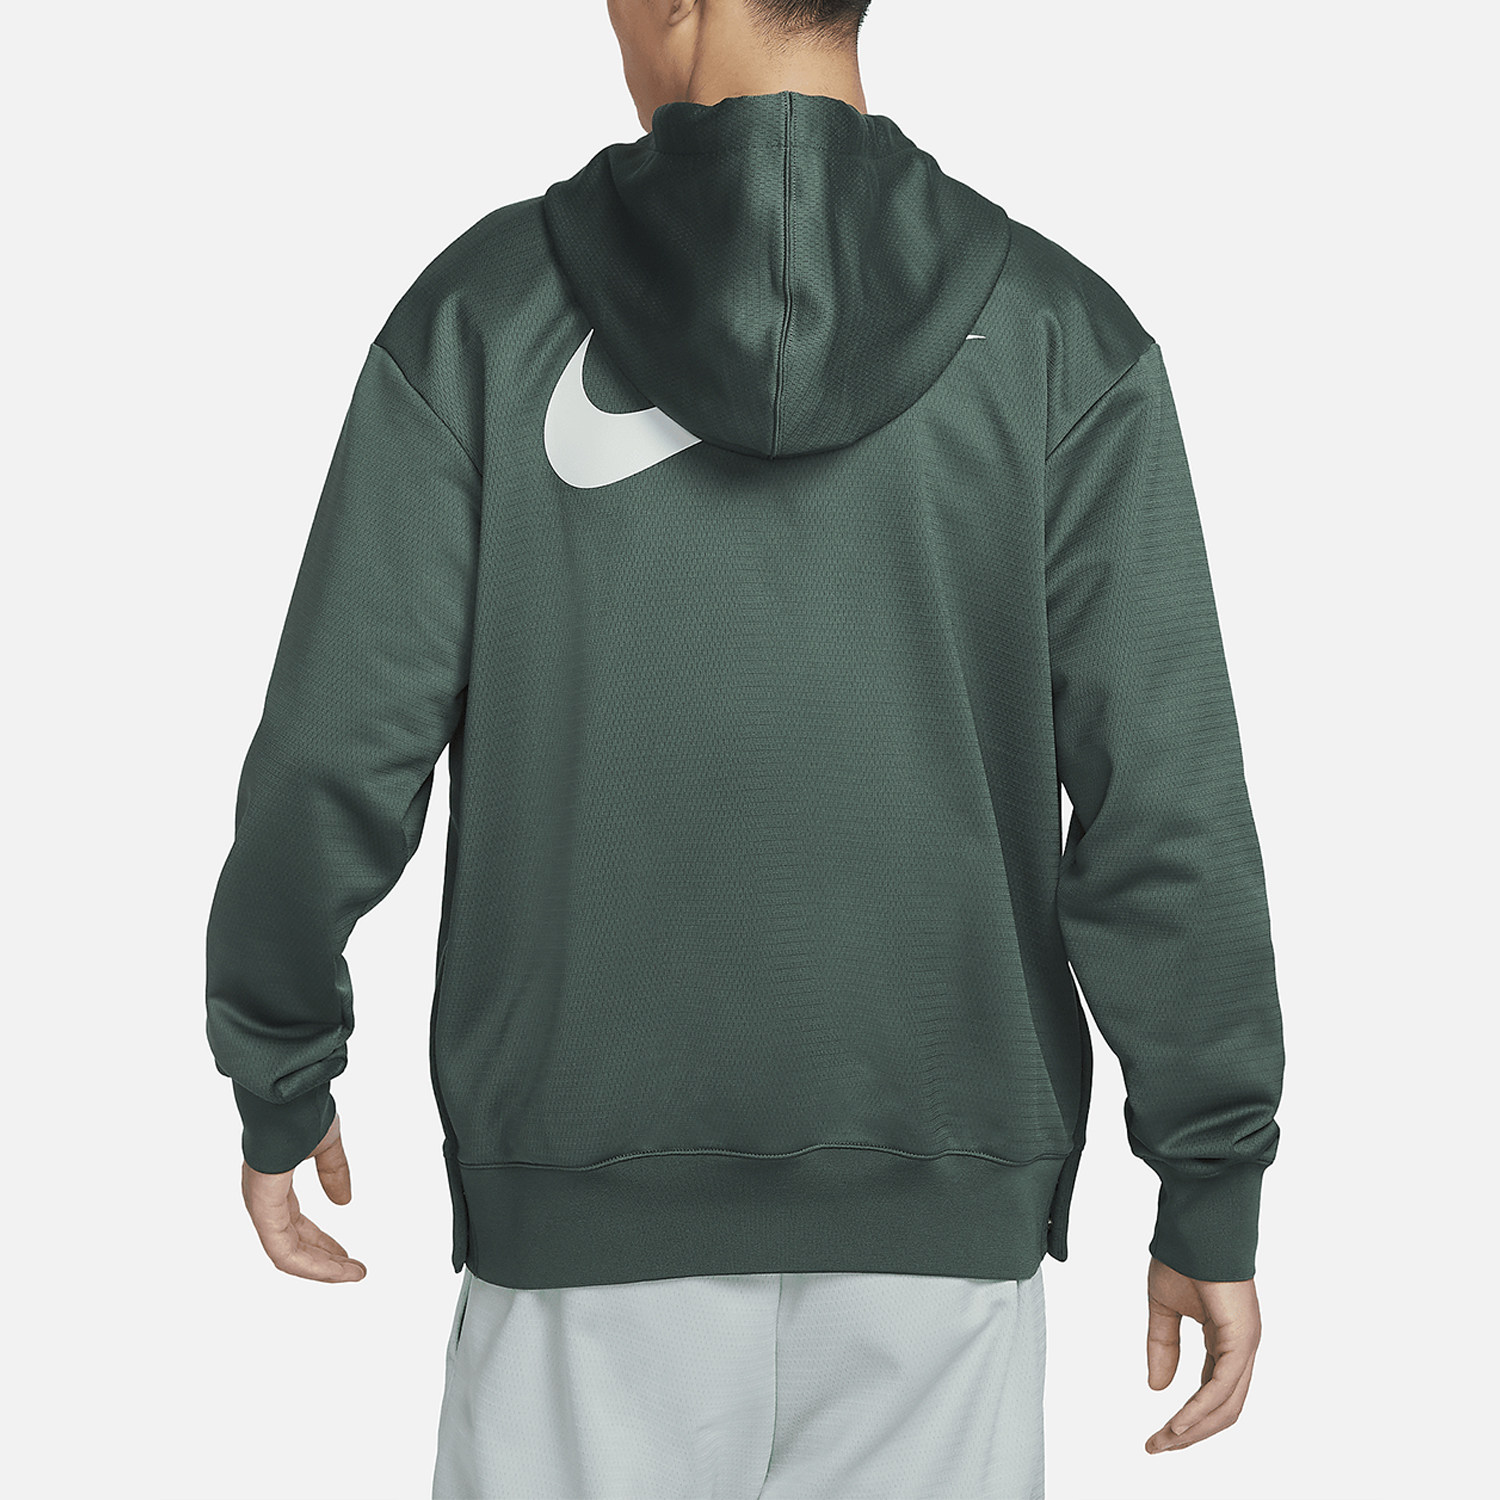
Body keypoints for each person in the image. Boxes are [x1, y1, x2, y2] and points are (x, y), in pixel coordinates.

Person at [204, 1, 1286, 1495]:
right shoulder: (1059, 339)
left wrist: (279, 1065)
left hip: (578, 1237)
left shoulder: (483, 321)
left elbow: (335, 756)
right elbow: (1165, 813)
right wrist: (1210, 1178)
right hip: (939, 1249)